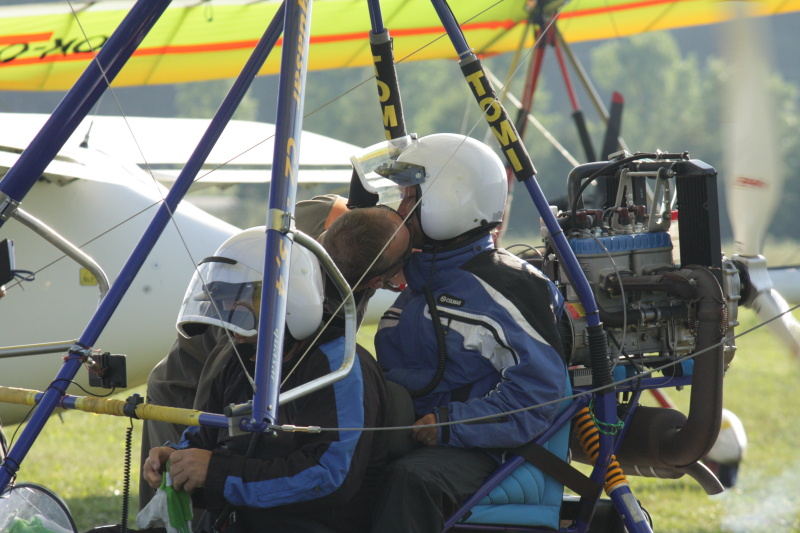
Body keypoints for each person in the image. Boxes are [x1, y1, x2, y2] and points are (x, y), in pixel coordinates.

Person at [139, 195, 408, 509]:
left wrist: (216, 473)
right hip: (186, 404)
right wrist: (178, 457)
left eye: (242, 300)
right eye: (223, 297)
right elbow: (212, 434)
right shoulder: (240, 354)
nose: (228, 314)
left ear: (287, 299)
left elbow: (328, 475)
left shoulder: (338, 367)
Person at [367, 134, 569, 533]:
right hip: (408, 429)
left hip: (483, 446)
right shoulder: (416, 278)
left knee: (410, 482)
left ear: (451, 200)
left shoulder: (508, 286)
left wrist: (450, 424)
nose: (401, 211)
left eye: (411, 198)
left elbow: (539, 392)